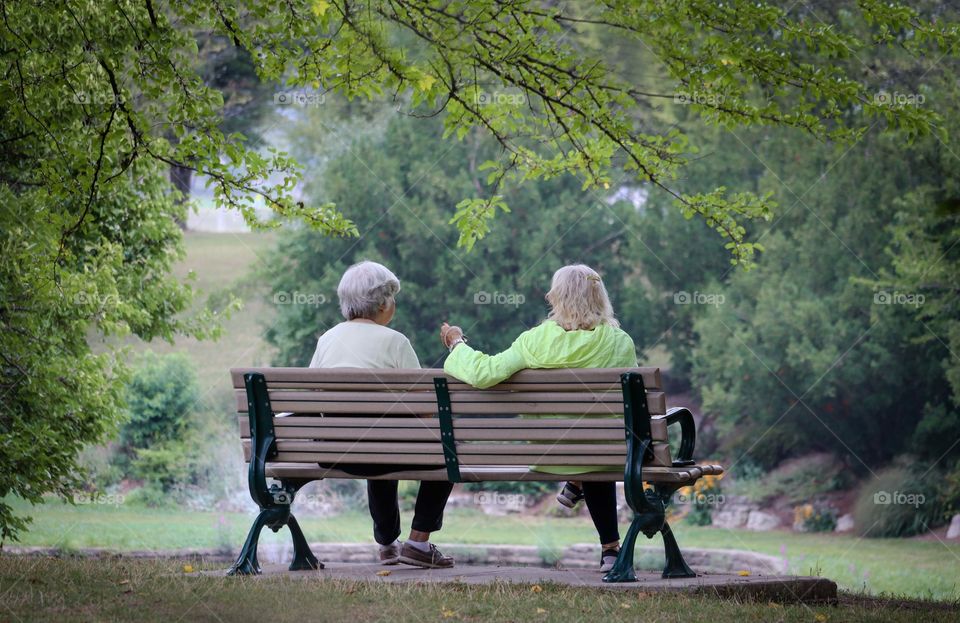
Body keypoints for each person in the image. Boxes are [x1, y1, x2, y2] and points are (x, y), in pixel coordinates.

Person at [439, 264, 637, 572]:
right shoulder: (619, 342)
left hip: (550, 453)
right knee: (594, 446)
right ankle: (610, 550)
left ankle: (577, 482)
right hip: (608, 454)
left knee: (583, 445)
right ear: (600, 297)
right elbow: (628, 406)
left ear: (555, 298)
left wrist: (456, 343)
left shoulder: (535, 341)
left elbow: (484, 373)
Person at [310, 260, 454, 569]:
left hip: (334, 452)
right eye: (393, 297)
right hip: (382, 450)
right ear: (384, 303)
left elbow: (313, 399)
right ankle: (417, 542)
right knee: (447, 451)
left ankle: (388, 545)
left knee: (379, 442)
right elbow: (424, 406)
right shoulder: (395, 342)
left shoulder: (327, 340)